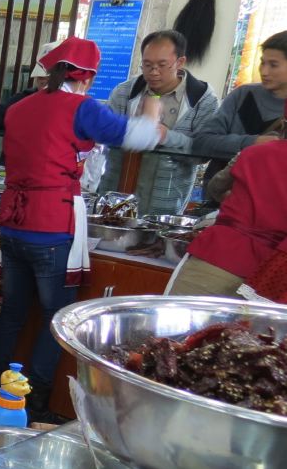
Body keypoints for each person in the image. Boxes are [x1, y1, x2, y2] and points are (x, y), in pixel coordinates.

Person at [0, 37, 164, 419]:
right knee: (56, 317)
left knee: (12, 313)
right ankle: (32, 401)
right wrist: (152, 112)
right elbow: (141, 138)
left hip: (13, 223)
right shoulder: (81, 108)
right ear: (87, 77)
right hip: (52, 223)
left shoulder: (19, 108)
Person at [97, 30, 218, 216]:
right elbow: (104, 137)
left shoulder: (203, 100)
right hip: (115, 196)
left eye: (162, 65)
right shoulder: (123, 92)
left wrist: (165, 136)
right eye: (147, 65)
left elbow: (203, 153)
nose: (153, 72)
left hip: (166, 203)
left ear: (180, 62)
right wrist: (132, 131)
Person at [166, 118, 287, 298]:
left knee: (181, 324)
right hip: (275, 276)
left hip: (221, 257)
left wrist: (241, 201)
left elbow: (216, 188)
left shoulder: (255, 152)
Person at [192, 30, 287, 199]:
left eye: (273, 65)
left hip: (269, 204)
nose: (264, 71)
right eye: (262, 63)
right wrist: (252, 142)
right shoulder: (242, 95)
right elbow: (202, 141)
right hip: (220, 197)